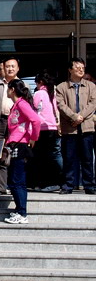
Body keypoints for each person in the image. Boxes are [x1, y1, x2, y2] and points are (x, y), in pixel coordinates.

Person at [56, 58, 96, 195]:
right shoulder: (61, 87)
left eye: (82, 67)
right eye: (77, 67)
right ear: (70, 70)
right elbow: (61, 105)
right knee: (69, 158)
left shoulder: (91, 86)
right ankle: (68, 185)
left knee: (87, 158)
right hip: (69, 128)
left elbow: (93, 104)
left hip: (86, 127)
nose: (80, 70)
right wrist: (74, 117)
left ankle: (89, 185)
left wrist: (80, 117)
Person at [3, 79, 41, 224]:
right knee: (15, 180)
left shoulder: (22, 104)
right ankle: (19, 209)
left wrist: (33, 138)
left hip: (21, 145)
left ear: (12, 89)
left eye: (8, 88)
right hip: (14, 144)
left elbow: (36, 120)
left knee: (17, 181)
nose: (7, 91)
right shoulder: (16, 105)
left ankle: (22, 212)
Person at [0, 57, 20, 195]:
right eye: (7, 66)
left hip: (17, 123)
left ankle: (14, 185)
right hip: (0, 121)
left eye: (13, 66)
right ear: (3, 68)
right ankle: (0, 187)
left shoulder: (23, 84)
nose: (10, 69)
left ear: (18, 68)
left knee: (15, 154)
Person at [30, 71, 62, 192]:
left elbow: (34, 110)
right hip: (53, 128)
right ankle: (54, 181)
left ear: (40, 82)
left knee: (41, 157)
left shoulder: (39, 93)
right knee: (51, 156)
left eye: (36, 83)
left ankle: (44, 183)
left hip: (42, 128)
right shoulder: (52, 92)